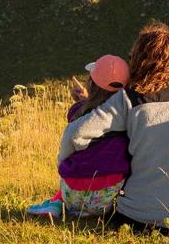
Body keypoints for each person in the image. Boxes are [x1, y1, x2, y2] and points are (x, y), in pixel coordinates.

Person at [58, 22, 169, 231]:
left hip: (133, 218)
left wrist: (63, 167)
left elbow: (76, 134)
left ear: (139, 60)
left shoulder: (129, 99)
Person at [27, 55, 131, 218]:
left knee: (76, 165)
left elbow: (63, 158)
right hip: (107, 200)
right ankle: (60, 204)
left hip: (72, 195)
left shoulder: (79, 115)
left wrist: (83, 102)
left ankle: (56, 203)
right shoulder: (129, 118)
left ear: (91, 84)